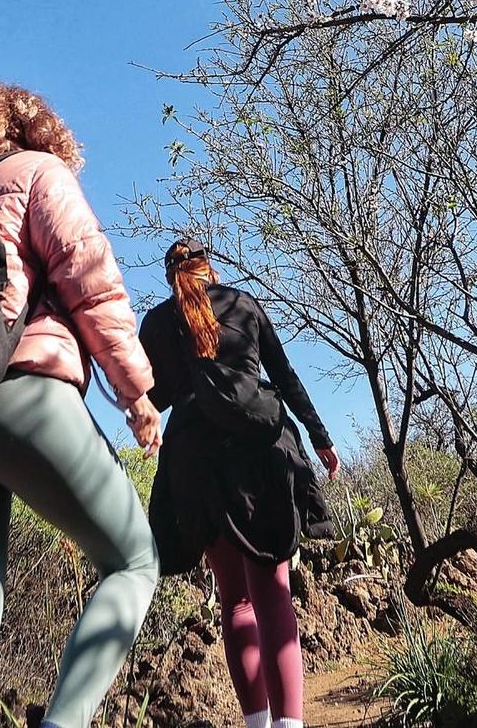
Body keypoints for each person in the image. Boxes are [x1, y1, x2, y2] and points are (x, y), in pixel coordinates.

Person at [0, 81, 163, 728]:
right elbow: (93, 284)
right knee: (133, 563)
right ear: (35, 125)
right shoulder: (38, 172)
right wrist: (138, 395)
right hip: (21, 400)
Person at [139, 238, 340, 728]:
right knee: (273, 594)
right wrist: (319, 437)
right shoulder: (243, 304)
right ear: (210, 267)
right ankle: (288, 724)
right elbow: (284, 375)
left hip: (195, 462)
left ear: (170, 277)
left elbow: (154, 396)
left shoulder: (157, 324)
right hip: (259, 452)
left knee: (236, 601)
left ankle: (255, 722)